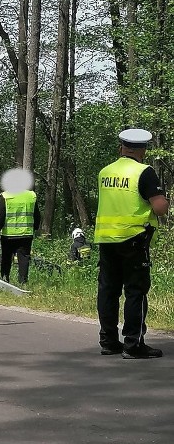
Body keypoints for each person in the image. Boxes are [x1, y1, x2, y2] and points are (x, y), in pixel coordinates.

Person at [94, 127, 168, 359]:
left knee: (108, 291)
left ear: (121, 148)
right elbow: (159, 207)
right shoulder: (144, 172)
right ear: (143, 151)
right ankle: (133, 344)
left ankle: (108, 341)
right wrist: (165, 199)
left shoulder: (105, 171)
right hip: (134, 239)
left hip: (106, 239)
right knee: (136, 291)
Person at [0, 170, 40, 285]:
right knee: (24, 258)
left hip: (8, 235)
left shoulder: (6, 196)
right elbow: (37, 215)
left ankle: (5, 279)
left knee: (6, 258)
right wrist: (35, 228)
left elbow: (0, 216)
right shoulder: (31, 195)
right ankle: (23, 282)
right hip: (26, 234)